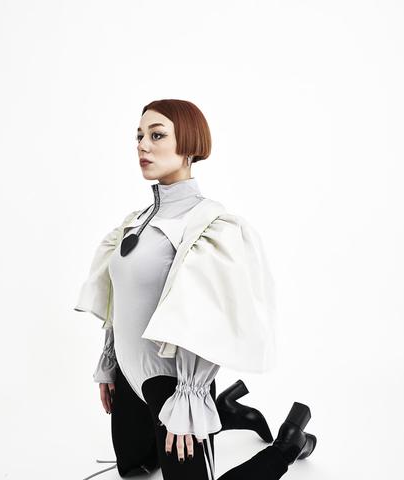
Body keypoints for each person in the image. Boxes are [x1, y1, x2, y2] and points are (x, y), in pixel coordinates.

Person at [74, 99, 317, 479]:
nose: (142, 145)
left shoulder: (208, 224)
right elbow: (119, 298)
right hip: (129, 375)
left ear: (189, 145)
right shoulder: (135, 221)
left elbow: (207, 320)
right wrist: (109, 363)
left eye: (157, 135)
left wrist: (190, 398)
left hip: (172, 382)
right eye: (139, 136)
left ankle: (288, 444)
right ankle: (226, 410)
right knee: (134, 469)